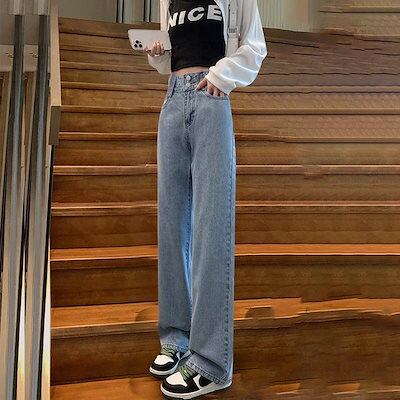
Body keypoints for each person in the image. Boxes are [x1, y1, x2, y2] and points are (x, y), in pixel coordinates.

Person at [144, 0, 267, 397]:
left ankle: (212, 362)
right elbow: (173, 54)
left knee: (212, 227)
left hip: (211, 97)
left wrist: (222, 75)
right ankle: (176, 337)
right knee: (171, 225)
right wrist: (158, 54)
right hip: (172, 99)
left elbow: (255, 46)